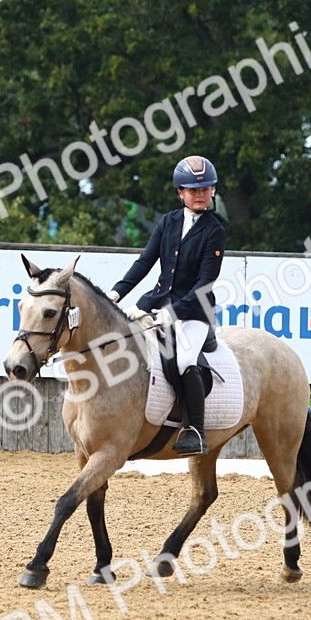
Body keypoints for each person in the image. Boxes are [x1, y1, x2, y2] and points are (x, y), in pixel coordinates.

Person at [107, 155, 226, 455]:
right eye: (193, 190)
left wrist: (174, 312)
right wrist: (116, 294)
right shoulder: (168, 221)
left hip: (194, 312)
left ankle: (195, 430)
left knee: (185, 360)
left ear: (212, 191)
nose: (200, 195)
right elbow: (145, 262)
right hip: (156, 302)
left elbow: (205, 283)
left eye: (205, 189)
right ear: (180, 193)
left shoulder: (215, 230)